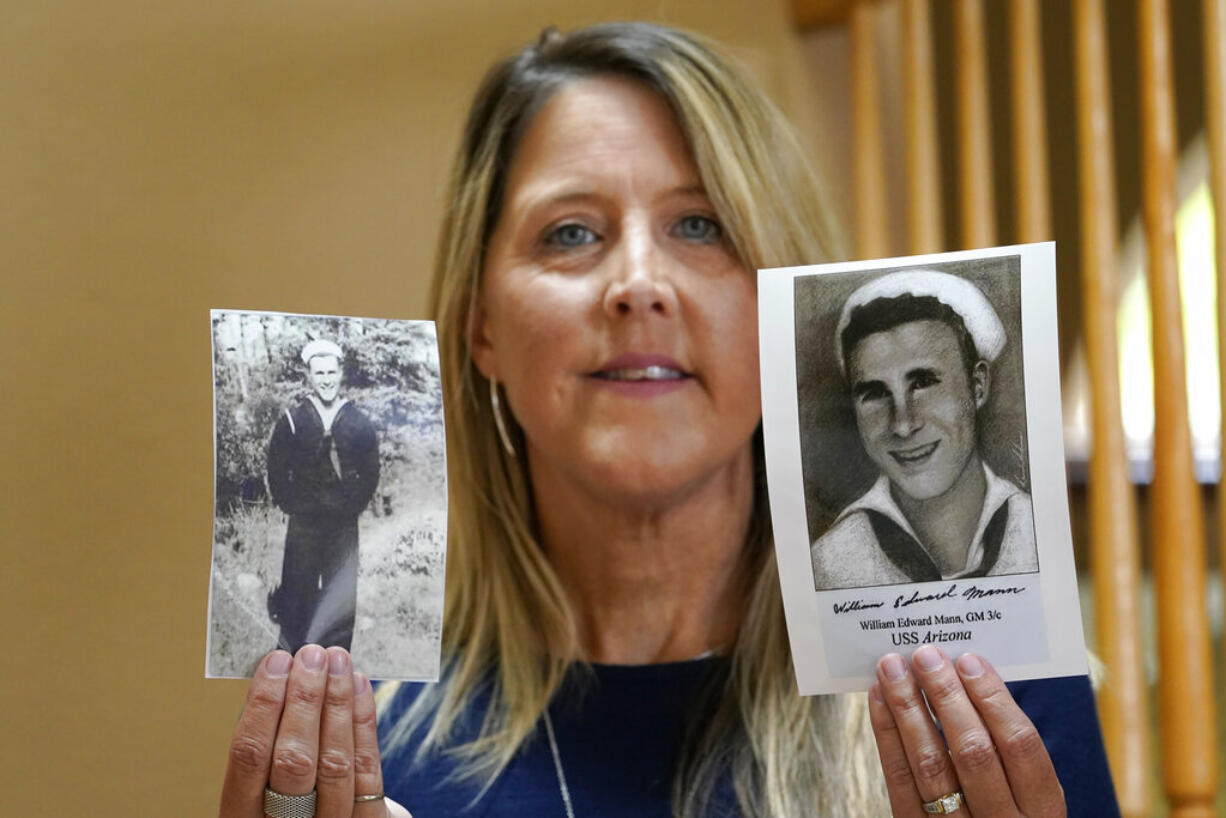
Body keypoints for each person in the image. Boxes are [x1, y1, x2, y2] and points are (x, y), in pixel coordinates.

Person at [219, 23, 1119, 818]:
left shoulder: (986, 681)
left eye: (701, 225)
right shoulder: (352, 728)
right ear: (480, 326)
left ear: (787, 316)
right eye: (570, 232)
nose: (638, 284)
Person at [811, 271, 1040, 591]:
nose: (903, 424)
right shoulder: (830, 564)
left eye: (922, 384)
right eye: (875, 394)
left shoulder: (1037, 532)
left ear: (978, 385)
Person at [265, 339, 380, 654]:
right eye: (320, 373)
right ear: (309, 377)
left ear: (341, 373)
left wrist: (351, 506)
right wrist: (293, 505)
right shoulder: (292, 419)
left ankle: (334, 664)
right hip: (304, 526)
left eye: (332, 371)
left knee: (339, 598)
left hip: (343, 528)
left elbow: (371, 472)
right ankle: (288, 662)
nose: (326, 379)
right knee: (297, 595)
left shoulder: (358, 421)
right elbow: (276, 469)